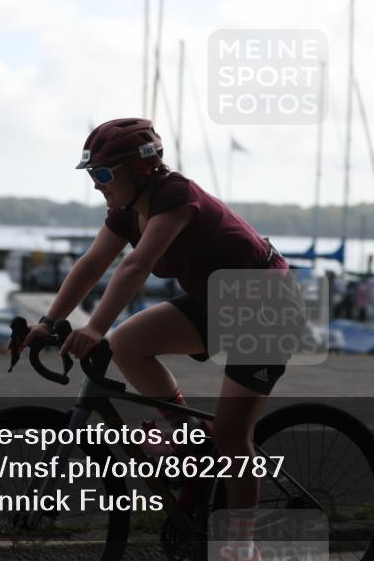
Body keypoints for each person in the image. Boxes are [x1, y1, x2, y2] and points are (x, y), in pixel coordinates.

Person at [20, 118, 287, 560]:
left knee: (232, 433)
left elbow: (136, 267)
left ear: (139, 169)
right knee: (127, 343)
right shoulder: (126, 211)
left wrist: (94, 327)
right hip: (217, 299)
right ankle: (189, 433)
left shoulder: (175, 197)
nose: (96, 185)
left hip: (267, 303)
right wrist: (48, 321)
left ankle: (243, 545)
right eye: (91, 175)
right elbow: (92, 264)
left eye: (103, 175)